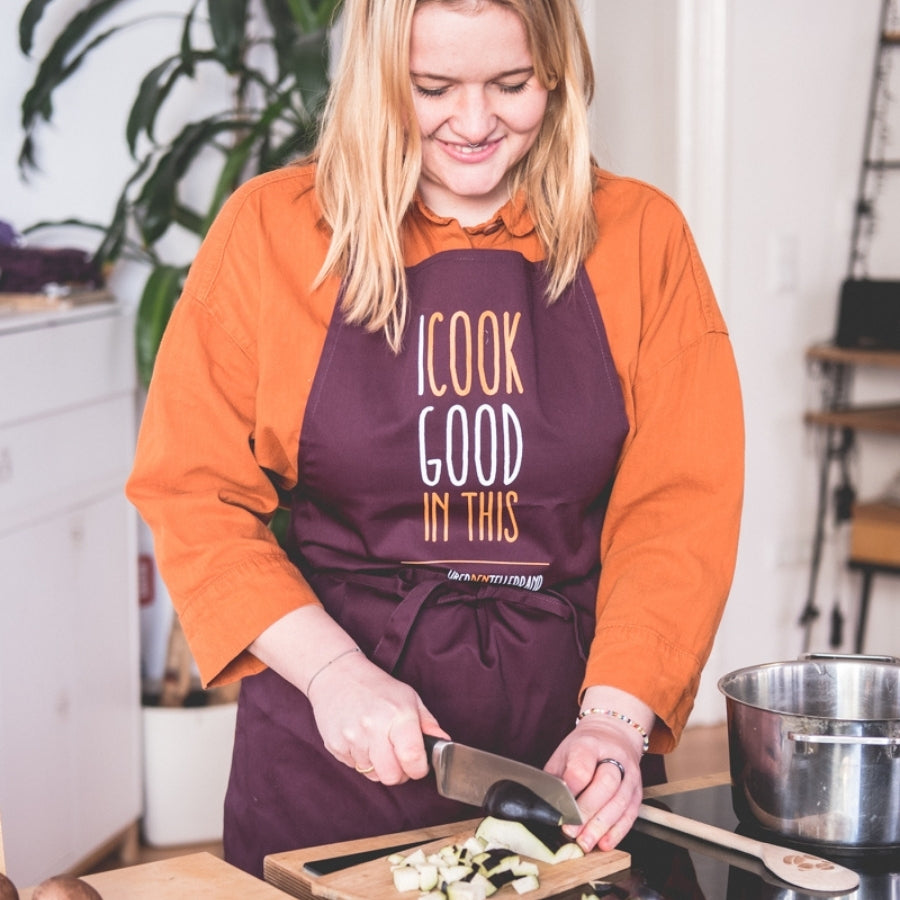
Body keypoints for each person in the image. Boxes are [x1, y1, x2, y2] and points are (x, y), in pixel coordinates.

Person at [126, 0, 744, 879]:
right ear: (377, 78)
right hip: (328, 740)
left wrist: (616, 720)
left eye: (512, 83)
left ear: (558, 71)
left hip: (567, 745)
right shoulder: (270, 232)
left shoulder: (643, 239)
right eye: (432, 86)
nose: (475, 121)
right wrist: (335, 672)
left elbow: (679, 508)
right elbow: (195, 491)